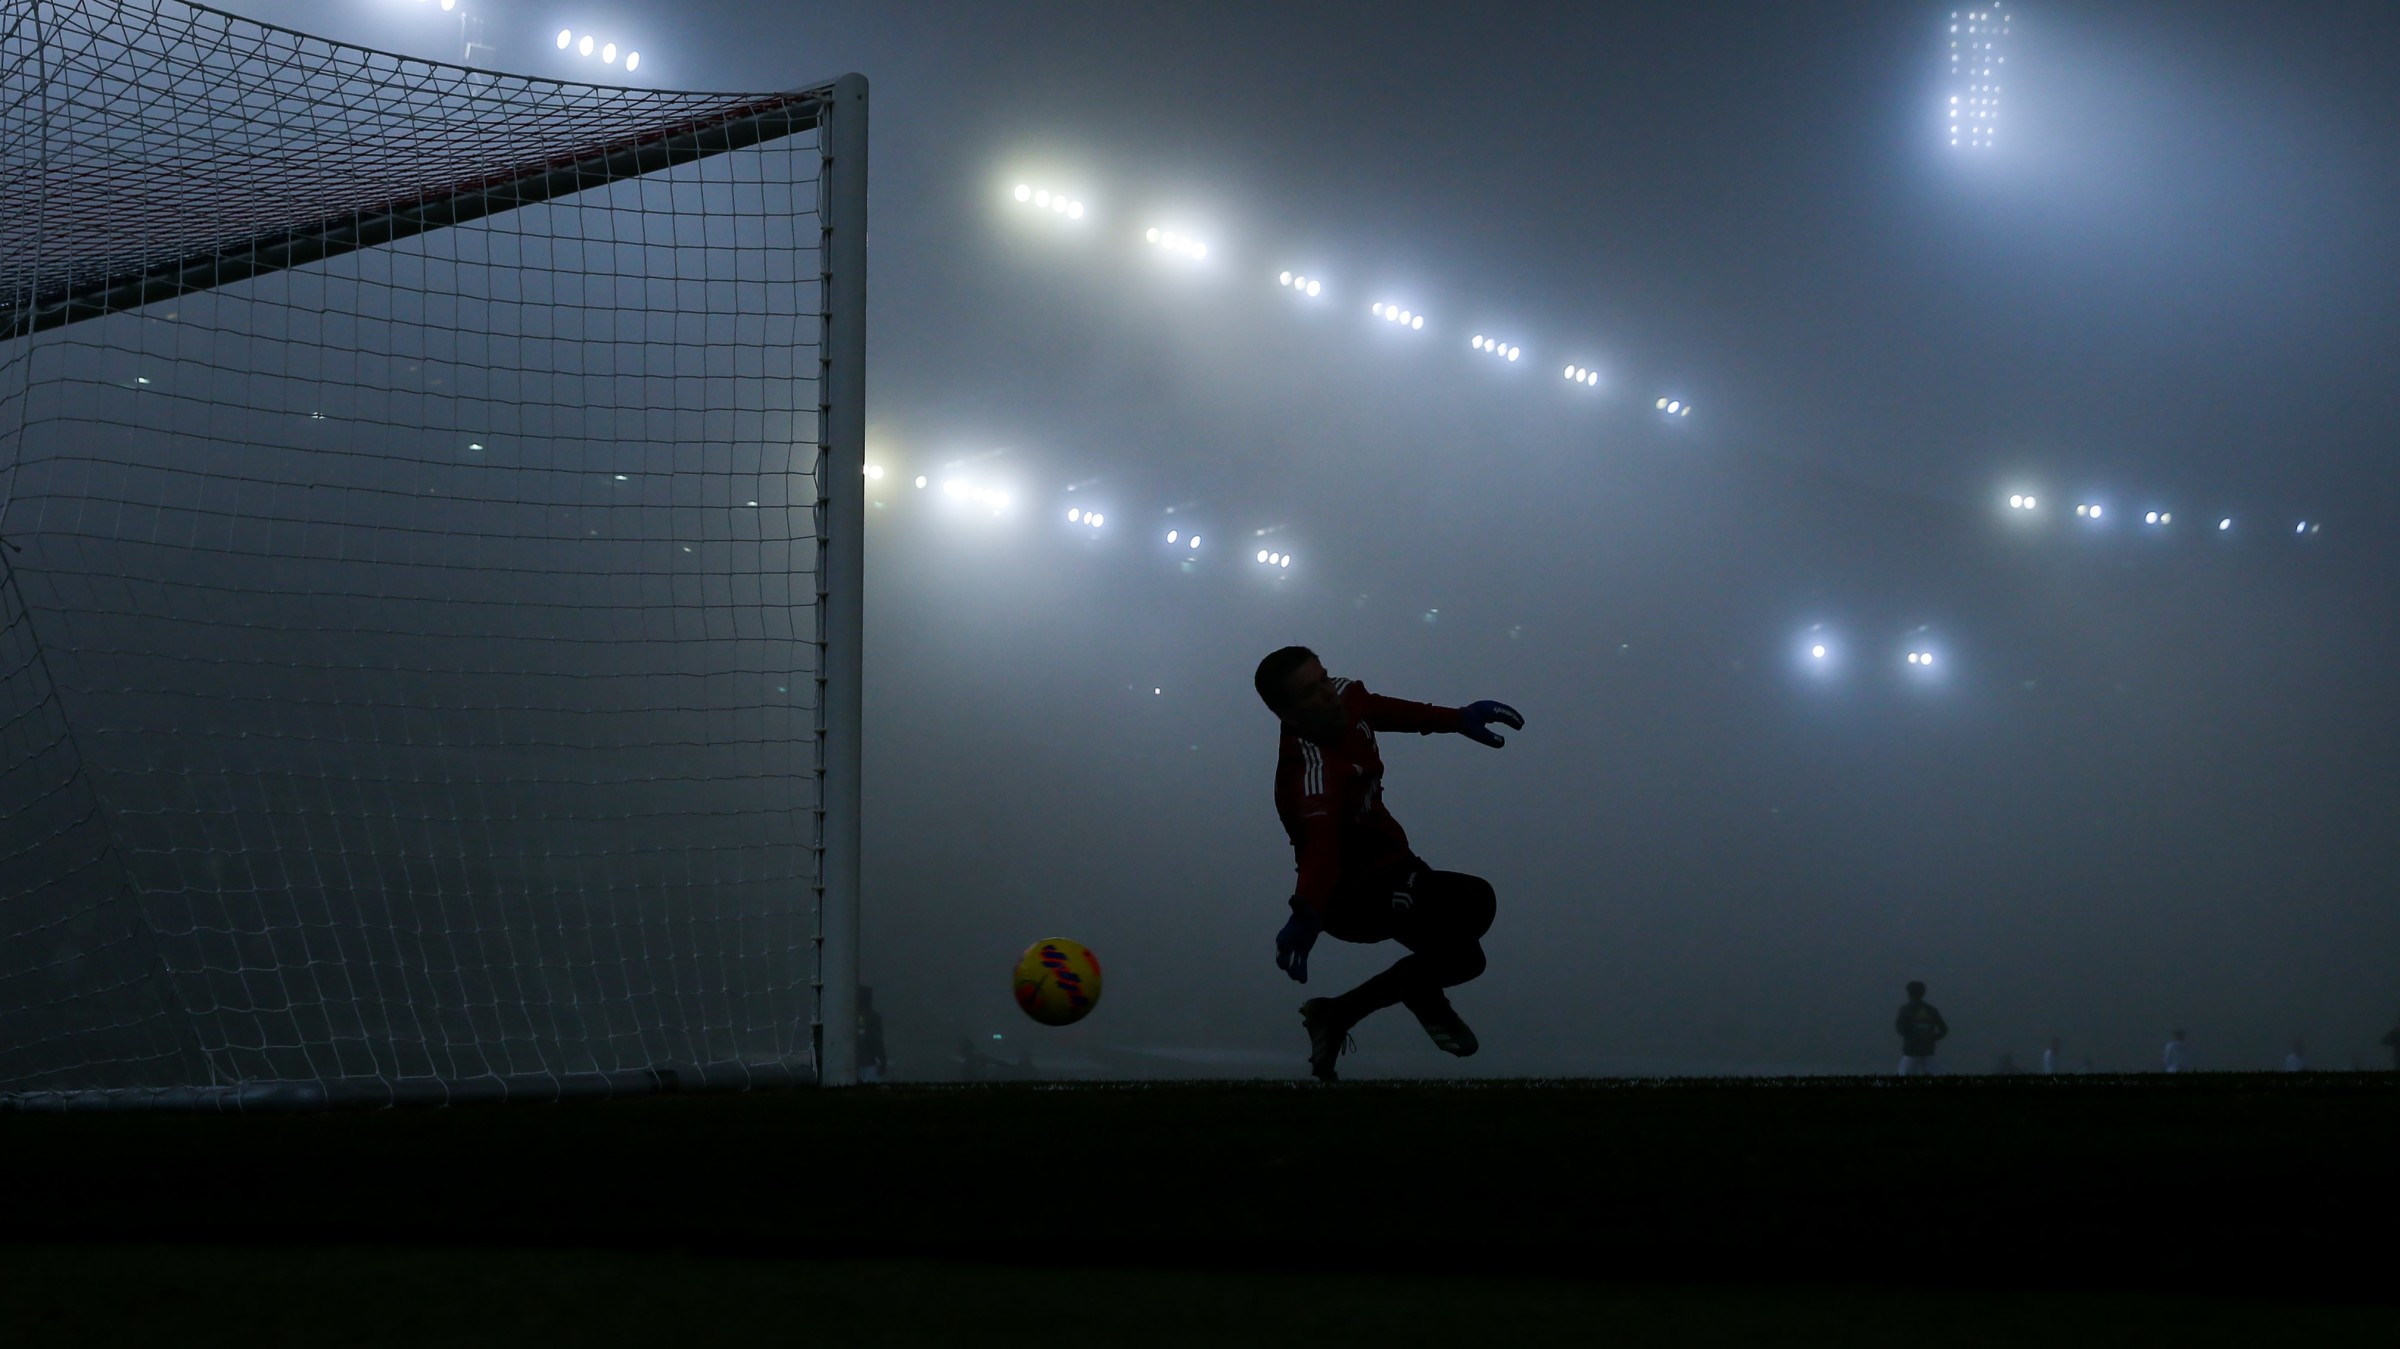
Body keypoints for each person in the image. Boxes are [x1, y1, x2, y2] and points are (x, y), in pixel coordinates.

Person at [1254, 646, 1523, 1082]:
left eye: (1324, 678)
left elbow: (1381, 710)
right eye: (1310, 692)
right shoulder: (1308, 774)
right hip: (1352, 895)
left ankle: (1337, 1013)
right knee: (1475, 900)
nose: (1327, 694)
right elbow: (1322, 848)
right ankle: (1410, 997)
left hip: (1395, 866)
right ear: (1287, 714)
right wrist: (1306, 912)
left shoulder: (1345, 697)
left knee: (1465, 958)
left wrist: (1456, 719)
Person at [1894, 981, 1948, 1076]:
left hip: (1911, 1053)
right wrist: (1931, 1039)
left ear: (1909, 993)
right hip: (1928, 1052)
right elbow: (1944, 1030)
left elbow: (1900, 1028)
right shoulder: (1931, 1010)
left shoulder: (1906, 1009)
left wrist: (1913, 1038)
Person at [856, 985, 887, 1084]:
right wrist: (883, 1060)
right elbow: (878, 1041)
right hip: (869, 1064)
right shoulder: (874, 1017)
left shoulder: (847, 1019)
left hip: (852, 1063)